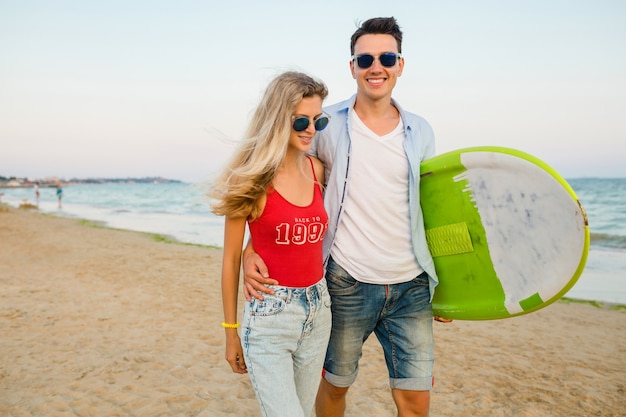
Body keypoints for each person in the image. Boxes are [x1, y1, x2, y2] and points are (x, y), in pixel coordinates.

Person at [243, 17, 450, 417]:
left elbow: (433, 209)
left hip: (412, 287)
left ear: (400, 65)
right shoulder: (324, 124)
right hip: (345, 282)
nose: (377, 66)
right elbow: (286, 188)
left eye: (387, 57)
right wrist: (252, 247)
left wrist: (448, 285)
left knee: (415, 399)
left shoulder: (421, 131)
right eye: (366, 58)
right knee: (335, 387)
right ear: (352, 66)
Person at [209, 71, 333, 417]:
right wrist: (230, 332)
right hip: (270, 316)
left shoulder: (318, 170)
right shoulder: (249, 179)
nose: (310, 129)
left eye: (318, 121)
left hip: (319, 310)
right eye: (300, 122)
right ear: (279, 121)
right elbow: (231, 258)